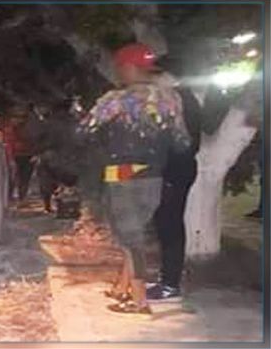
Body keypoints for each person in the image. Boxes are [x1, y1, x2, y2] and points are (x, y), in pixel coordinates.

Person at [78, 43, 191, 315]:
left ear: (128, 68)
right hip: (154, 174)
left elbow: (85, 131)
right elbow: (182, 143)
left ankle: (139, 301)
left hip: (122, 173)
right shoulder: (170, 99)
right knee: (135, 232)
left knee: (130, 239)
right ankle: (121, 286)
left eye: (120, 67)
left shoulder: (115, 100)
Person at [149, 68, 203, 302]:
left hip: (174, 171)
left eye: (154, 77)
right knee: (167, 225)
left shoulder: (177, 100)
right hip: (177, 170)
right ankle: (168, 278)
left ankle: (170, 284)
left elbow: (178, 142)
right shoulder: (184, 97)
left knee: (169, 226)